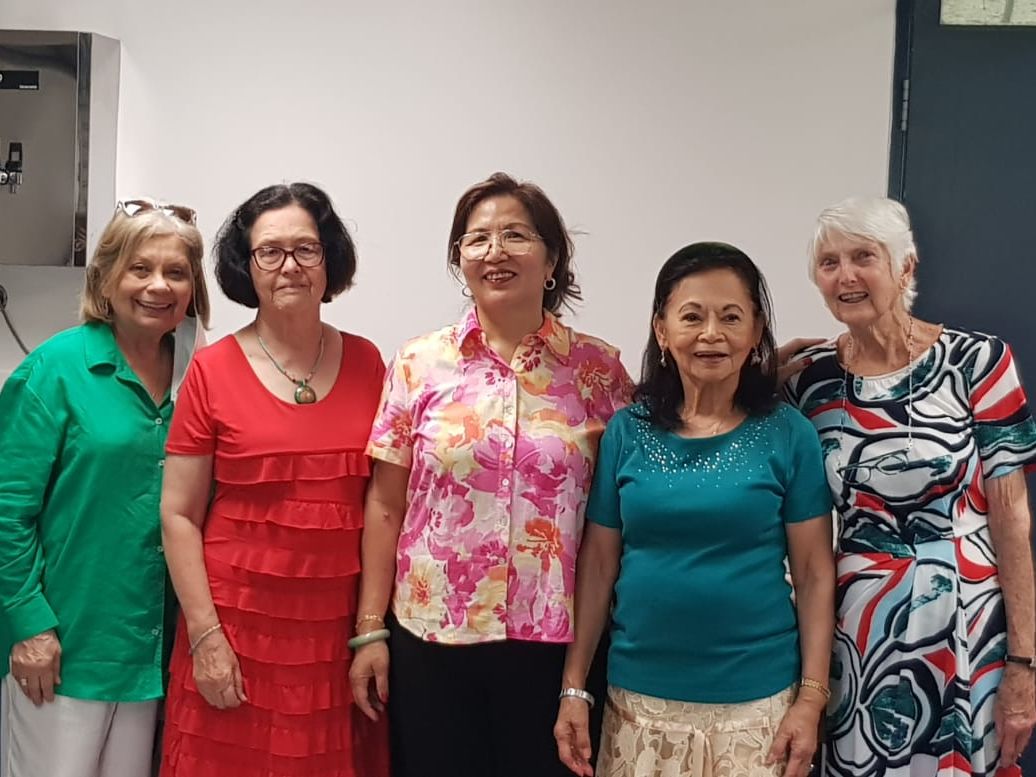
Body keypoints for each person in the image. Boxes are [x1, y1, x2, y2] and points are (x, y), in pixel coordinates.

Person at [348, 172, 633, 777]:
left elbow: (623, 507)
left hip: (556, 645)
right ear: (459, 259)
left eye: (516, 235)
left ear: (551, 258)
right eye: (477, 239)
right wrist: (370, 630)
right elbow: (385, 507)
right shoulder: (418, 363)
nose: (495, 252)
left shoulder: (598, 369)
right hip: (431, 640)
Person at [555, 242, 836, 777]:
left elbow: (815, 572)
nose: (712, 333)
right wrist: (574, 687)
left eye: (732, 317)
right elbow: (596, 565)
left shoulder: (788, 434)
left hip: (758, 708)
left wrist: (811, 698)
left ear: (756, 333)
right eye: (692, 316)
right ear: (662, 330)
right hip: (638, 701)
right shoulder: (627, 431)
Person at [785, 196, 1036, 777]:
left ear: (906, 267)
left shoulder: (977, 361)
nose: (845, 275)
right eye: (829, 262)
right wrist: (766, 369)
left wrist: (1025, 661)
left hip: (965, 619)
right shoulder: (812, 381)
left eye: (863, 257)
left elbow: (1013, 516)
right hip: (855, 629)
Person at [158, 183, 389, 777]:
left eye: (306, 249)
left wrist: (370, 632)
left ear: (329, 259)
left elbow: (384, 508)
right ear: (247, 265)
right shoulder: (210, 370)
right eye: (270, 251)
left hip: (334, 638)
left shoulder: (371, 363)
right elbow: (179, 514)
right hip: (233, 633)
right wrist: (206, 638)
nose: (290, 266)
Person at [0, 199, 209, 777]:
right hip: (64, 647)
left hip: (152, 649)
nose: (158, 286)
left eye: (176, 272)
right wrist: (30, 627)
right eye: (140, 269)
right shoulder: (55, 370)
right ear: (106, 278)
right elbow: (5, 510)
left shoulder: (201, 375)